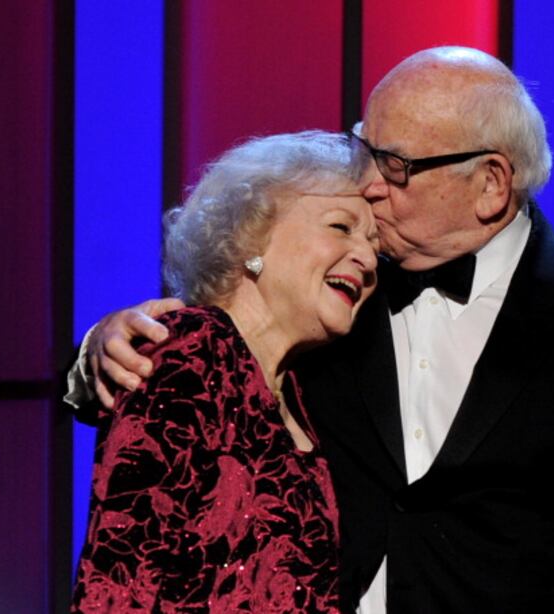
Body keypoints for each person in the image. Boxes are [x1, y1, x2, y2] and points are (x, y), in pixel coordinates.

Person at [70, 48, 554, 613]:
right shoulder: (335, 292)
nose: (367, 184)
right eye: (365, 149)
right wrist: (99, 350)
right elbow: (209, 366)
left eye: (395, 166)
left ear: (490, 185)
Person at [69, 130, 379, 612]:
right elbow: (121, 578)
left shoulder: (299, 394)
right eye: (341, 227)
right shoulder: (193, 350)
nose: (369, 257)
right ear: (250, 237)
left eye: (374, 243)